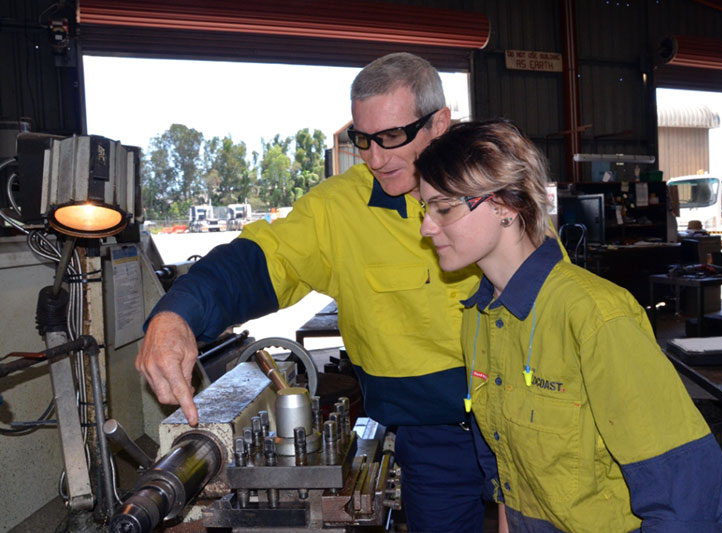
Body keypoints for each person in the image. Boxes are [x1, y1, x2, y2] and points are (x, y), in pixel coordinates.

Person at [136, 53, 493, 533]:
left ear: (440, 123)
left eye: (391, 137)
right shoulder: (338, 210)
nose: (375, 158)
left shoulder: (496, 186)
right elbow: (264, 260)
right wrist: (177, 312)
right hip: (432, 438)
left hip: (528, 416)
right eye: (362, 140)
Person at [415, 119, 722, 532]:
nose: (426, 226)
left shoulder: (595, 316)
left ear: (506, 205)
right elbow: (508, 476)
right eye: (426, 208)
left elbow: (688, 491)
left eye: (443, 207)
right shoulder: (478, 319)